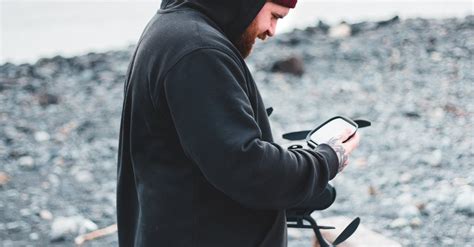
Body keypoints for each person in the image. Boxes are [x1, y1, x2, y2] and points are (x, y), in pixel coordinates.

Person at [116, 0, 361, 246]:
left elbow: (216, 158)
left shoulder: (172, 31)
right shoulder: (198, 52)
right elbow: (248, 168)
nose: (271, 31)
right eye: (275, 16)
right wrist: (328, 158)